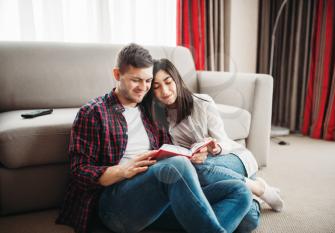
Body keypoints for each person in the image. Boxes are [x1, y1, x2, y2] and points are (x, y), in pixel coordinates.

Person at [56, 44, 253, 233]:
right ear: (117, 75)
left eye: (148, 81)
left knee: (240, 194)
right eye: (136, 80)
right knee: (176, 166)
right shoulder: (94, 113)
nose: (143, 87)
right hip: (114, 205)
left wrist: (194, 153)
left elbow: (169, 154)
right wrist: (122, 171)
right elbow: (78, 171)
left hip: (156, 199)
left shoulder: (151, 112)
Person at [143, 58, 285, 232]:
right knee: (248, 222)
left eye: (168, 82)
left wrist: (214, 149)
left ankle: (257, 187)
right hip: (204, 169)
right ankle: (252, 195)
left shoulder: (202, 102)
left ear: (177, 79)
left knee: (197, 169)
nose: (164, 91)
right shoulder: (160, 116)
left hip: (231, 158)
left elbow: (223, 140)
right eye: (156, 87)